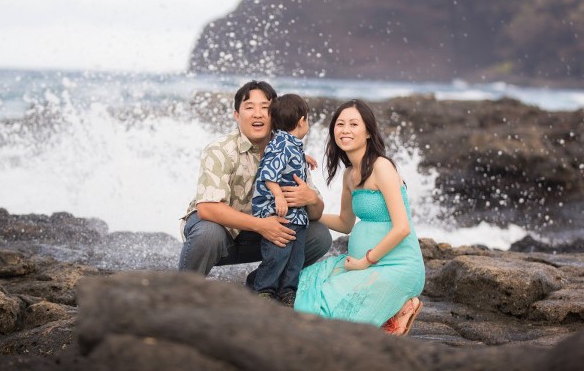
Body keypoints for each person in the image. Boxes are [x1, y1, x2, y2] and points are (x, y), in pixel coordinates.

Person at [294, 99, 426, 336]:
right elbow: (345, 224)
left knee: (331, 315)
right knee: (308, 283)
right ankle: (395, 310)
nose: (345, 130)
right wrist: (307, 209)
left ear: (368, 132)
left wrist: (367, 260)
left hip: (396, 267)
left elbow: (402, 228)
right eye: (340, 124)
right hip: (362, 265)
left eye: (354, 124)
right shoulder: (349, 175)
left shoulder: (381, 167)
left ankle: (403, 304)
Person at [177, 80, 331, 283]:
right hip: (223, 235)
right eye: (249, 107)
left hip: (266, 239)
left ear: (275, 115)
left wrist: (311, 199)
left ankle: (261, 287)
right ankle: (184, 288)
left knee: (319, 235)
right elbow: (207, 209)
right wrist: (260, 225)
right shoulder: (220, 149)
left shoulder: (291, 150)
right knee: (208, 233)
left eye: (265, 108)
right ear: (237, 115)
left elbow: (316, 213)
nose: (258, 114)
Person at [251, 94, 311, 306]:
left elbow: (284, 162)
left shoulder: (290, 145)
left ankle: (287, 291)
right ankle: (264, 289)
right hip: (279, 214)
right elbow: (268, 172)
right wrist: (278, 196)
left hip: (296, 215)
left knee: (296, 258)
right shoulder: (281, 145)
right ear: (302, 121)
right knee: (277, 254)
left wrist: (303, 158)